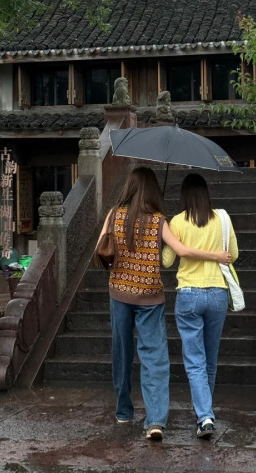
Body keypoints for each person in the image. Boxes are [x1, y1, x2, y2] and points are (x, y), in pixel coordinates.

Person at [95, 166, 230, 442]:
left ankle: (123, 410)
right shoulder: (159, 221)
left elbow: (100, 247)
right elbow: (180, 252)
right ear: (153, 191)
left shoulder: (114, 214)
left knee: (121, 350)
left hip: (119, 291)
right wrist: (215, 255)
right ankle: (155, 420)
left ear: (129, 188)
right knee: (154, 358)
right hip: (150, 296)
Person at [162, 172, 239, 439]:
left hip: (189, 294)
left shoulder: (177, 221)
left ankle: (204, 416)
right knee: (210, 357)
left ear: (184, 195)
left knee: (194, 359)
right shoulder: (222, 218)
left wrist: (167, 237)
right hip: (217, 292)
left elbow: (168, 261)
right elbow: (234, 255)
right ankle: (204, 413)